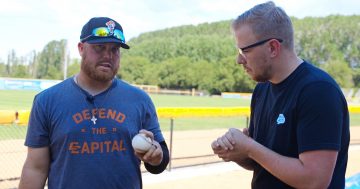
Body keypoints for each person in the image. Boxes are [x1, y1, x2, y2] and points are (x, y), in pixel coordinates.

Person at [18, 17, 169, 189]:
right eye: (99, 47)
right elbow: (35, 168)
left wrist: (156, 157)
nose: (108, 56)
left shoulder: (139, 99)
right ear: (81, 48)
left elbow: (160, 158)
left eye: (115, 49)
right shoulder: (46, 101)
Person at [211, 2, 350, 189]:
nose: (239, 60)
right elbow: (265, 164)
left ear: (273, 48)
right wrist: (238, 152)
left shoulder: (318, 90)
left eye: (245, 50)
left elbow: (314, 181)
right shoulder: (262, 90)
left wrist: (251, 147)